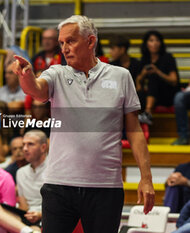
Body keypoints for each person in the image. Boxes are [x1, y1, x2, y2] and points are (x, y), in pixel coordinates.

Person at [12, 15, 154, 233]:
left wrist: (146, 178)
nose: (65, 48)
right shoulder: (56, 73)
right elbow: (37, 90)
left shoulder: (121, 76)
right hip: (59, 185)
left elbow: (134, 131)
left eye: (71, 41)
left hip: (105, 187)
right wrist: (26, 76)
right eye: (61, 43)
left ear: (90, 42)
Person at [0, 130, 47, 233]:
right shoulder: (21, 172)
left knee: (37, 228)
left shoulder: (54, 169)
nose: (25, 149)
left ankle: (31, 230)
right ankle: (27, 230)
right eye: (24, 145)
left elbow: (61, 204)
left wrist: (40, 214)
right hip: (28, 216)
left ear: (43, 147)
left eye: (30, 144)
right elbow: (24, 206)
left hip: (47, 215)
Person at [136, 30, 179, 125]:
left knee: (153, 77)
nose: (154, 43)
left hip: (168, 94)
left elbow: (174, 81)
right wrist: (143, 73)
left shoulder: (167, 57)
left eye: (157, 40)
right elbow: (138, 82)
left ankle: (147, 113)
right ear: (146, 44)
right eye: (151, 40)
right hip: (153, 96)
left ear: (161, 43)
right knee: (137, 93)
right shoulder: (145, 59)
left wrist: (158, 72)